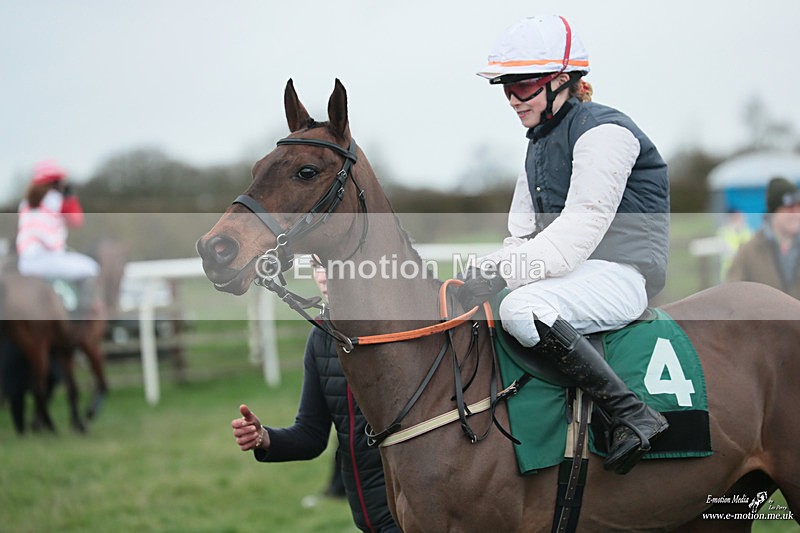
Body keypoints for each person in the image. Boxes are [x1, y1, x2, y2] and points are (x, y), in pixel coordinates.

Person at [460, 15, 670, 475]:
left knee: (520, 309)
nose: (513, 99)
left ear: (561, 80)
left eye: (524, 85)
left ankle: (631, 412)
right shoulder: (537, 141)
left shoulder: (606, 133)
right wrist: (474, 274)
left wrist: (500, 272)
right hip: (577, 277)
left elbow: (573, 237)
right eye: (506, 87)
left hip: (622, 275)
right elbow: (520, 237)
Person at [231, 265, 400, 532]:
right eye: (316, 266)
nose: (322, 275)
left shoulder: (402, 327)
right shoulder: (320, 337)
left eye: (330, 264)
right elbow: (311, 436)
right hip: (370, 518)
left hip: (419, 513)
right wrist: (264, 438)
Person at [16, 159, 99, 309]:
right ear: (55, 183)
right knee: (91, 268)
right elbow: (76, 221)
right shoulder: (54, 200)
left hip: (25, 262)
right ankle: (84, 316)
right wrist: (70, 199)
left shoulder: (25, 203)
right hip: (49, 259)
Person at [726, 177, 800, 298]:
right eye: (790, 208)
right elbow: (732, 300)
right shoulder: (748, 252)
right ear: (774, 211)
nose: (797, 214)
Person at [717, 208, 752, 280]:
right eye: (739, 217)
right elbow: (728, 252)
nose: (743, 219)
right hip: (730, 272)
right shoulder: (723, 232)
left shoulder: (747, 231)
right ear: (733, 218)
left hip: (746, 271)